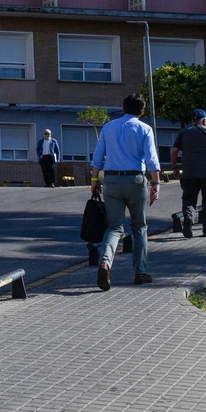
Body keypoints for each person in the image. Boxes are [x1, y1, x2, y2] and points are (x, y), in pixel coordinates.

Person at [89, 93, 160, 290]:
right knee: (139, 227)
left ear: (122, 108)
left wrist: (94, 180)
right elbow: (152, 158)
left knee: (114, 227)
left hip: (111, 180)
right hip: (136, 180)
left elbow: (98, 157)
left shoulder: (108, 127)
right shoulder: (145, 129)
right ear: (142, 111)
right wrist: (156, 183)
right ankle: (141, 272)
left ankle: (105, 263)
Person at [171, 110, 206, 237]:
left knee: (189, 199)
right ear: (204, 120)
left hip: (189, 173)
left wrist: (175, 167)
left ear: (193, 121)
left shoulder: (183, 132)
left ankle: (188, 218)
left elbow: (174, 151)